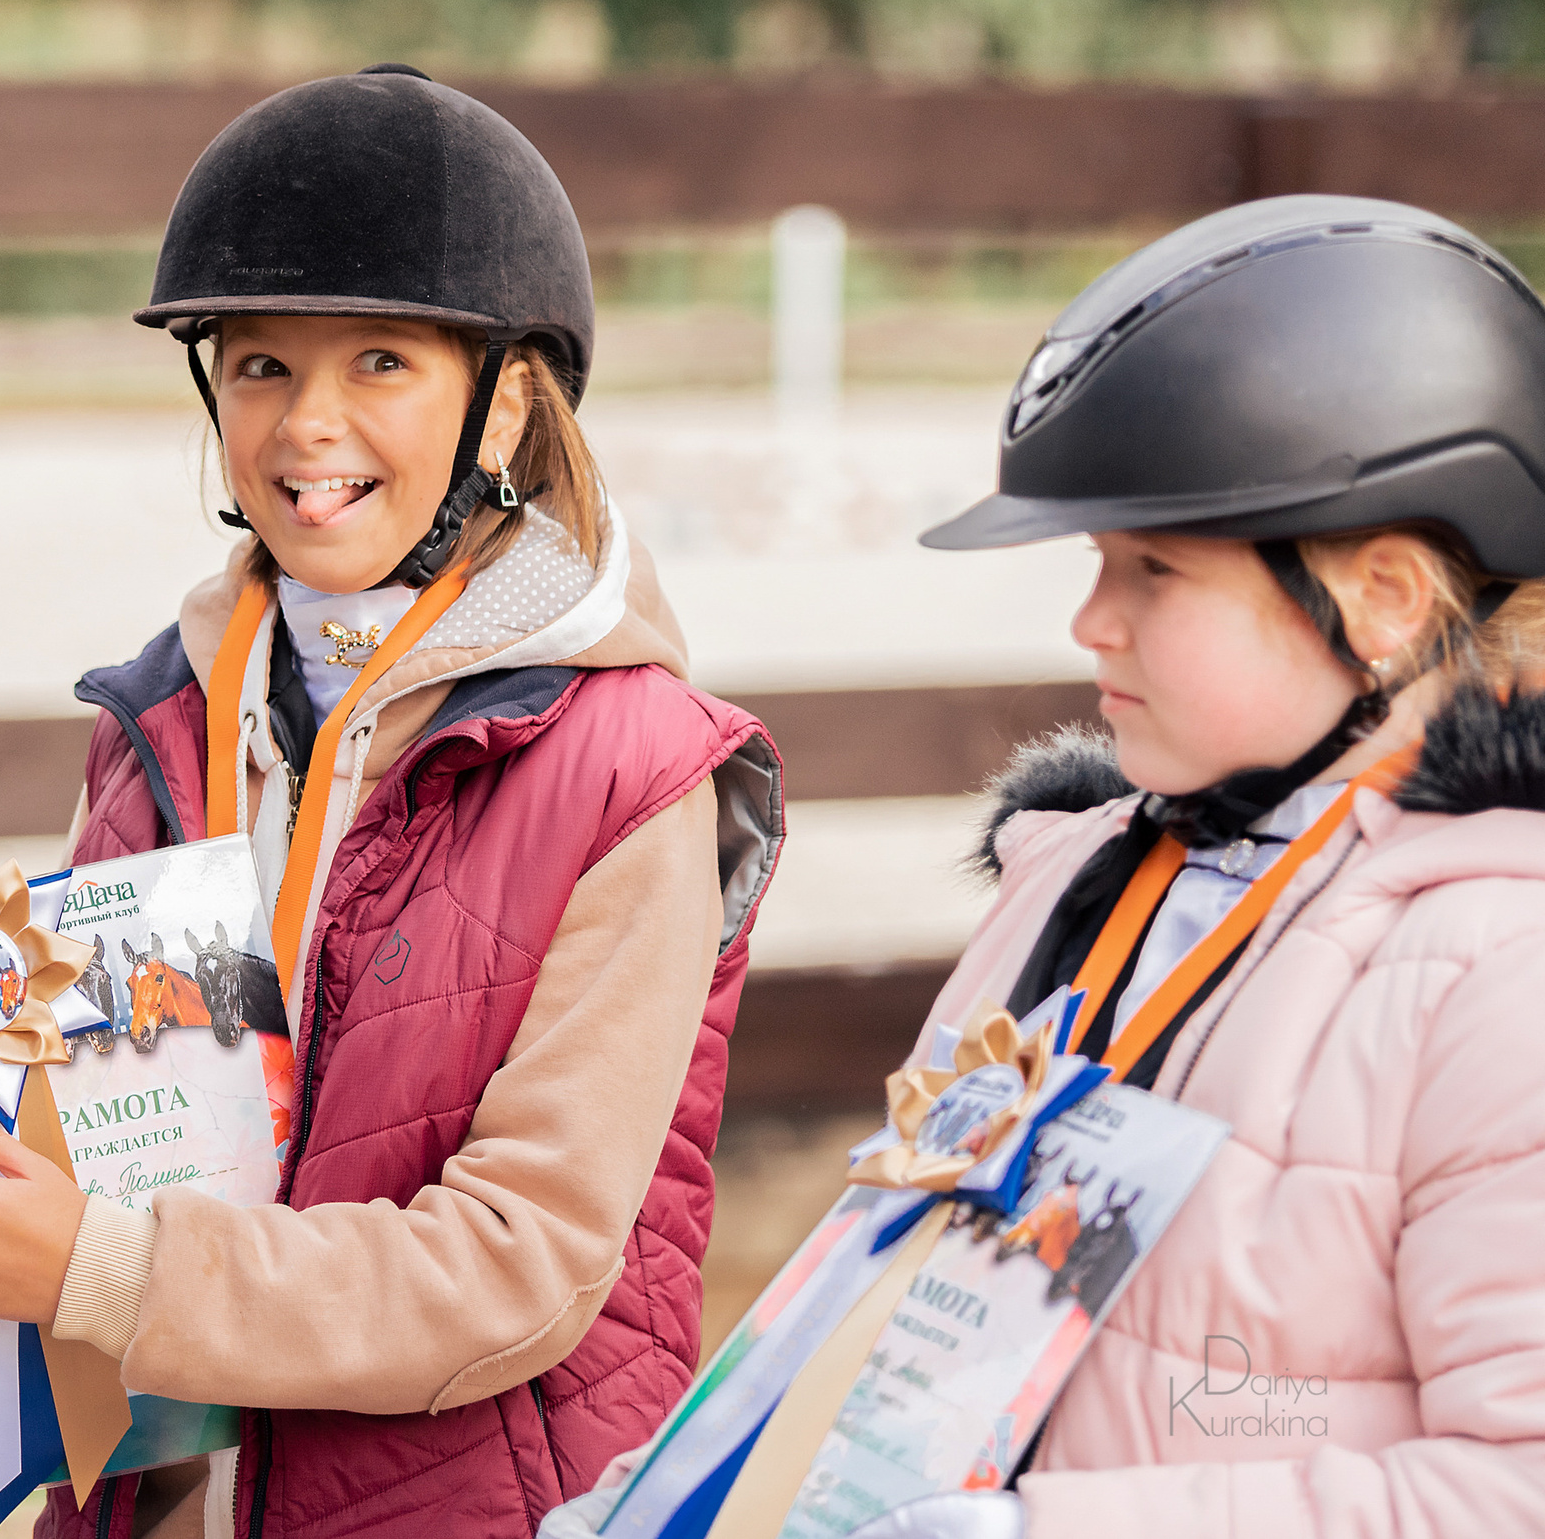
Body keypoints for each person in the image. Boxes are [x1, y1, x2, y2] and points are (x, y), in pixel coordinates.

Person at [0, 65, 786, 1538]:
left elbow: (518, 1261)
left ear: (507, 406)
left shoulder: (632, 771)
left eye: (380, 364)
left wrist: (92, 1266)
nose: (307, 426)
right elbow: (94, 1150)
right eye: (262, 366)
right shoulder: (161, 721)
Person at [567, 194, 1545, 1539]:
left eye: (1154, 568)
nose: (1091, 619)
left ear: (1381, 595)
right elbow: (888, 1275)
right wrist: (667, 1503)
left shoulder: (1498, 971)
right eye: (1097, 561)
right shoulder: (1074, 876)